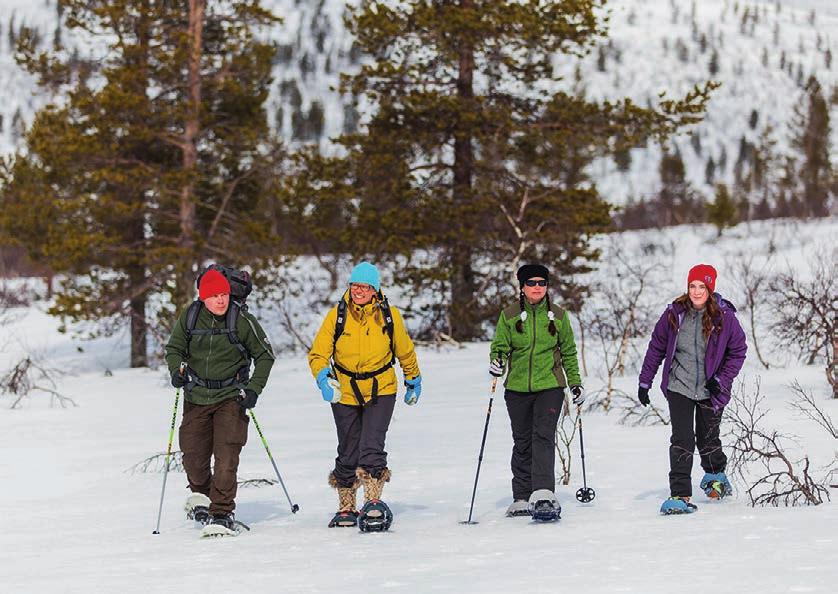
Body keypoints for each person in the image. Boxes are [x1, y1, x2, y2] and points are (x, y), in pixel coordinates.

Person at [308, 261, 421, 531]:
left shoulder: (389, 316)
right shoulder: (337, 315)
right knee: (348, 449)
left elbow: (404, 350)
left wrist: (413, 378)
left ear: (375, 289)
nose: (359, 291)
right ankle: (347, 505)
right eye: (355, 285)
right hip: (345, 389)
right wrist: (324, 377)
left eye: (365, 286)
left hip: (381, 388)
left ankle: (372, 503)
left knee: (372, 446)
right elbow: (318, 353)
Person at [165, 266, 275, 536]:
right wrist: (176, 370)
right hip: (196, 396)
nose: (221, 300)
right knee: (192, 458)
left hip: (231, 396)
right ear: (203, 298)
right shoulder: (190, 317)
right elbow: (174, 349)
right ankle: (203, 498)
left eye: (224, 294)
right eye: (214, 296)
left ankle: (222, 512)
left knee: (226, 458)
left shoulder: (240, 320)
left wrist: (253, 389)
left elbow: (265, 355)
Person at [638, 264, 747, 515]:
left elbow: (738, 352)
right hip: (680, 385)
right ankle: (680, 494)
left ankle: (715, 476)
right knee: (682, 439)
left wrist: (721, 379)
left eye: (702, 287)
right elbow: (656, 348)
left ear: (710, 289)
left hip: (711, 389)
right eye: (692, 286)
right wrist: (646, 381)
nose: (696, 292)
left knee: (708, 438)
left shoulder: (725, 317)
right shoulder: (674, 315)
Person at [489, 264, 583, 521]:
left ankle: (543, 493)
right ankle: (521, 496)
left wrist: (575, 383)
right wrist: (496, 361)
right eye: (532, 283)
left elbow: (569, 352)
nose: (537, 287)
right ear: (522, 287)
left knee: (542, 435)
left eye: (542, 282)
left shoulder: (558, 316)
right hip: (517, 388)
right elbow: (500, 346)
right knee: (522, 441)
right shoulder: (508, 315)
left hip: (550, 386)